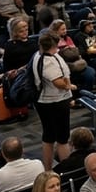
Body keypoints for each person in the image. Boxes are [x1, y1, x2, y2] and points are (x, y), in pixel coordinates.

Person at [33, 32, 74, 170]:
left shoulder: (37, 56)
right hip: (55, 102)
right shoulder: (48, 61)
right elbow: (58, 82)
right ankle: (66, 170)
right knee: (62, 138)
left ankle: (48, 170)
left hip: (44, 101)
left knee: (48, 136)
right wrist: (69, 86)